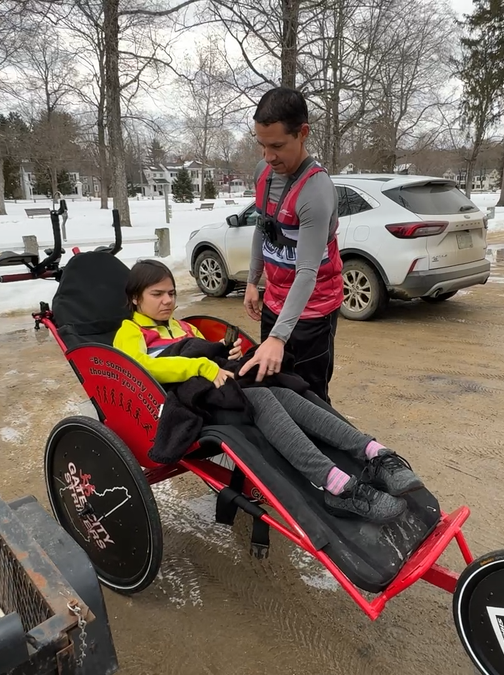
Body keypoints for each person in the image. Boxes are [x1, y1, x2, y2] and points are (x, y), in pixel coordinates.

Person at [114, 260, 423, 524]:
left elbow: (207, 354)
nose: (167, 300)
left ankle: (373, 453)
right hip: (190, 400)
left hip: (222, 386)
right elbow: (141, 367)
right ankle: (335, 484)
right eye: (157, 294)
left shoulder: (185, 327)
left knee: (284, 391)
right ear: (135, 299)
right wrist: (201, 366)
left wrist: (223, 352)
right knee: (261, 398)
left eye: (171, 293)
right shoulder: (130, 332)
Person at [239, 87, 343, 404]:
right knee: (274, 388)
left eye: (277, 146)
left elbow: (307, 273)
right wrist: (252, 281)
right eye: (262, 145)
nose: (268, 156)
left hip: (313, 311)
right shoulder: (264, 172)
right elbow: (263, 227)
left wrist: (278, 337)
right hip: (275, 303)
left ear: (303, 133)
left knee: (310, 397)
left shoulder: (315, 190)